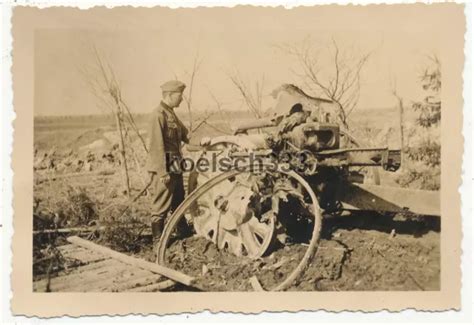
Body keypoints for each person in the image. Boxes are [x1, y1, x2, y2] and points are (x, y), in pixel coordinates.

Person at [146, 80, 189, 242]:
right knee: (161, 202)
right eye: (180, 95)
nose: (182, 99)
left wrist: (202, 142)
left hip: (175, 165)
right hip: (164, 166)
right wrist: (162, 172)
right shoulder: (157, 115)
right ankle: (159, 239)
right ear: (169, 95)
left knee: (178, 199)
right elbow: (156, 146)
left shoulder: (171, 114)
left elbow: (186, 136)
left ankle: (182, 231)